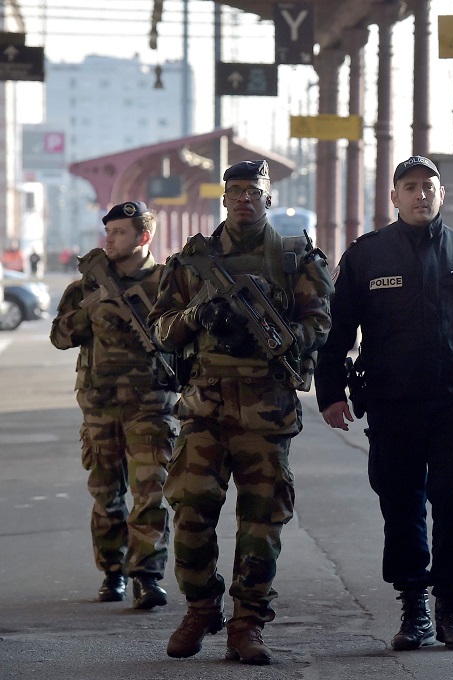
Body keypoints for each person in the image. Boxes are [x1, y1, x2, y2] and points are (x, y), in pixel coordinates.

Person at [315, 155, 453, 652]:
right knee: (401, 505)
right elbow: (335, 332)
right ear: (394, 197)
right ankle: (414, 610)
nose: (420, 195)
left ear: (442, 195)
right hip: (392, 403)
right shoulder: (367, 257)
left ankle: (450, 607)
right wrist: (330, 393)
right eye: (409, 187)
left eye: (429, 187)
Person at [150, 160, 333, 665]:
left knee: (261, 524)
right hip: (204, 410)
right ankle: (202, 606)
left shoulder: (295, 259)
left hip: (266, 412)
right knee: (188, 514)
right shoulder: (193, 262)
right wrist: (198, 315)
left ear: (268, 199)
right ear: (224, 199)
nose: (245, 199)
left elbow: (322, 324)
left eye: (254, 191)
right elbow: (160, 332)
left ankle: (247, 624)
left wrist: (274, 332)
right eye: (236, 191)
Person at [49, 201, 175, 611]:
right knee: (106, 494)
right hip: (100, 405)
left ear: (144, 237)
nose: (110, 239)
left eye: (120, 232)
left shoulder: (166, 283)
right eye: (109, 232)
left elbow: (186, 337)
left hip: (151, 403)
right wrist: (92, 308)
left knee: (150, 491)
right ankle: (112, 572)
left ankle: (147, 577)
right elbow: (60, 337)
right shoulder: (87, 284)